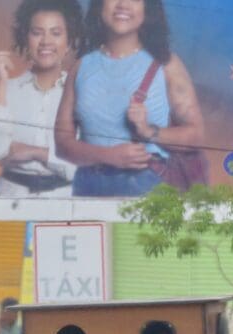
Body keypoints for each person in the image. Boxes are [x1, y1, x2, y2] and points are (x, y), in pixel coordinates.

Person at [54, 0, 205, 197]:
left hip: (148, 186)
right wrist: (108, 156)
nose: (123, 4)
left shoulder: (167, 64)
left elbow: (196, 136)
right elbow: (62, 143)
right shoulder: (81, 67)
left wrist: (149, 131)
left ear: (147, 8)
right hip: (88, 187)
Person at [0, 0, 83, 197]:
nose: (46, 42)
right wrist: (1, 82)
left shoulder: (81, 93)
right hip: (10, 196)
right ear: (25, 38)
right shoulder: (4, 89)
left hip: (64, 198)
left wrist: (36, 152)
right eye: (37, 32)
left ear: (69, 42)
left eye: (56, 33)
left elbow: (80, 166)